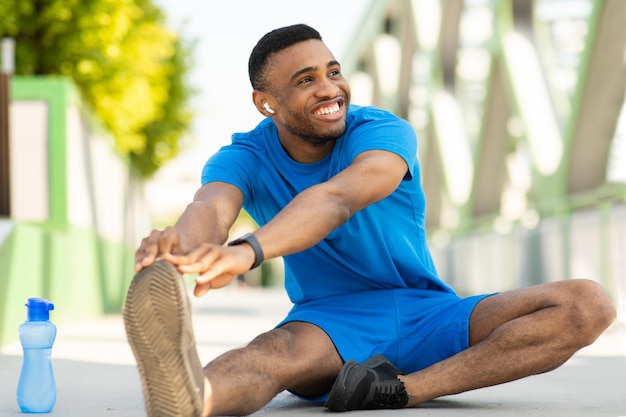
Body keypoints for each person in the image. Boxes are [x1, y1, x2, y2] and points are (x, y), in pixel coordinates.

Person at [123, 24, 616, 417]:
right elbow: (211, 207)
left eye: (332, 72)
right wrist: (180, 247)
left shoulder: (380, 131)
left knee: (587, 303)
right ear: (266, 102)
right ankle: (194, 397)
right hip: (330, 323)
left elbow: (337, 198)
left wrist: (247, 251)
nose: (329, 89)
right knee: (269, 355)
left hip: (431, 313)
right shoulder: (245, 156)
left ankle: (398, 391)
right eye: (305, 80)